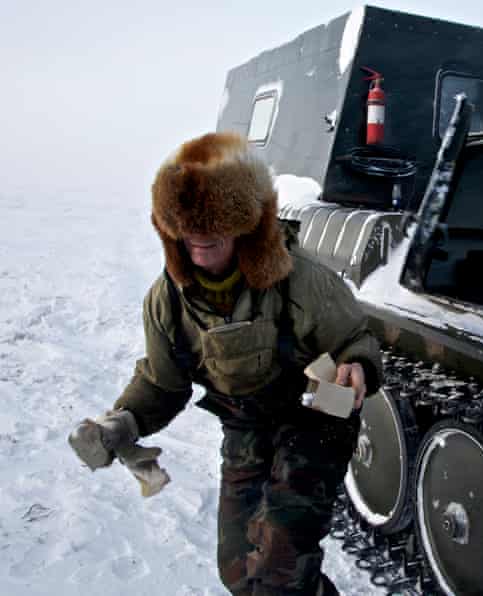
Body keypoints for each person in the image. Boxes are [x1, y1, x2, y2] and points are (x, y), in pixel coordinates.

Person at [68, 132, 382, 596]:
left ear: (244, 229)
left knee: (279, 566)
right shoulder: (167, 302)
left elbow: (356, 337)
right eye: (188, 240)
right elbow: (162, 381)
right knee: (238, 570)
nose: (199, 253)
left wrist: (356, 365)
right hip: (246, 424)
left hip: (317, 419)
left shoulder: (300, 281)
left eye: (212, 240)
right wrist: (122, 421)